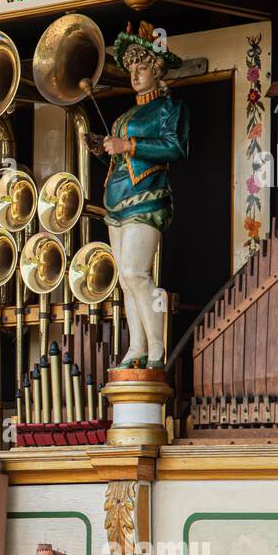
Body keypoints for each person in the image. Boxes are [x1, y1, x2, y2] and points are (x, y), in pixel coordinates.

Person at [94, 22, 189, 370]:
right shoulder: (124, 115)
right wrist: (108, 148)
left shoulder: (169, 109)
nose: (134, 75)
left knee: (136, 273)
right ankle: (136, 347)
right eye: (131, 69)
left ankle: (156, 351)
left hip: (147, 198)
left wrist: (128, 145)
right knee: (124, 280)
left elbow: (175, 147)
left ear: (157, 70)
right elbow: (124, 152)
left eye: (142, 67)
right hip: (116, 200)